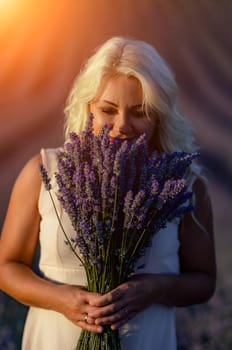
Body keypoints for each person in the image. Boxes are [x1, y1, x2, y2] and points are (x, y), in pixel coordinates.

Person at [0, 36, 216, 350]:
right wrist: (61, 299)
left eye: (140, 112)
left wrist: (154, 289)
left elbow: (204, 281)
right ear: (88, 107)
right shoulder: (42, 172)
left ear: (159, 114)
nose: (122, 125)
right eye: (108, 110)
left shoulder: (183, 186)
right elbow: (6, 267)